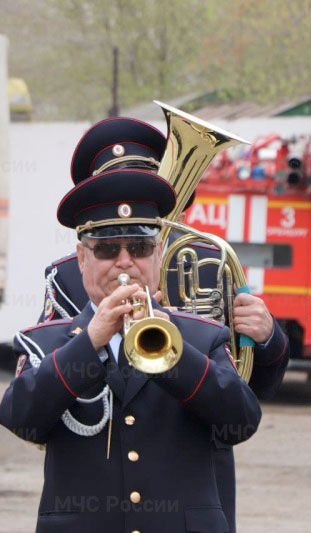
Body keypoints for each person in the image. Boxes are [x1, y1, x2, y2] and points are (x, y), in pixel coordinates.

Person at [35, 117, 289, 532]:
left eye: (145, 179)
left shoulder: (209, 264)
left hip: (192, 473)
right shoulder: (67, 275)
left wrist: (268, 338)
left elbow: (247, 395)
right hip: (96, 471)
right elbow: (44, 383)